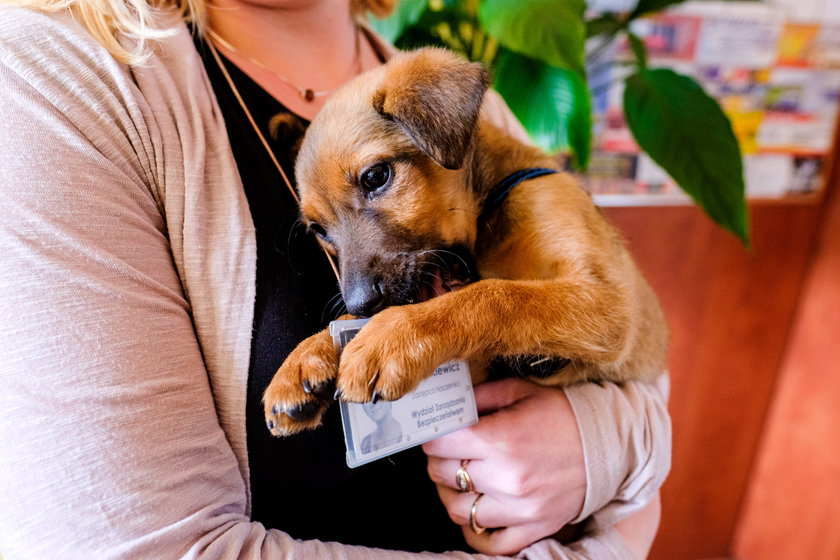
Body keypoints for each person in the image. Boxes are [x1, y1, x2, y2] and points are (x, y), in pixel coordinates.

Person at [0, 0, 671, 558]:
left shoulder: (454, 106)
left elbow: (628, 350)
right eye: (321, 232)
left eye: (377, 178)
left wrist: (608, 444)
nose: (355, 290)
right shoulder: (50, 80)